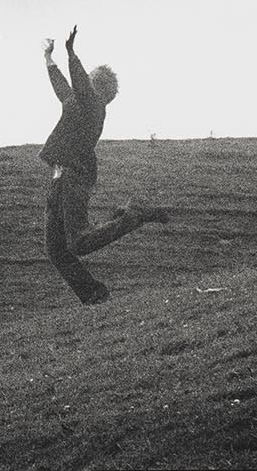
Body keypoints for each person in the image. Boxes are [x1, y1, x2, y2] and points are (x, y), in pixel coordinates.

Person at [40, 25, 167, 305]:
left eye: (87, 78)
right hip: (60, 177)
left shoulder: (95, 106)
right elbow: (63, 88)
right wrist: (49, 58)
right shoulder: (77, 104)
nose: (82, 81)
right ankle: (94, 295)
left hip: (75, 176)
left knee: (78, 242)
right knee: (56, 249)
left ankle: (132, 216)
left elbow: (78, 84)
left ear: (98, 88)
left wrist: (71, 53)